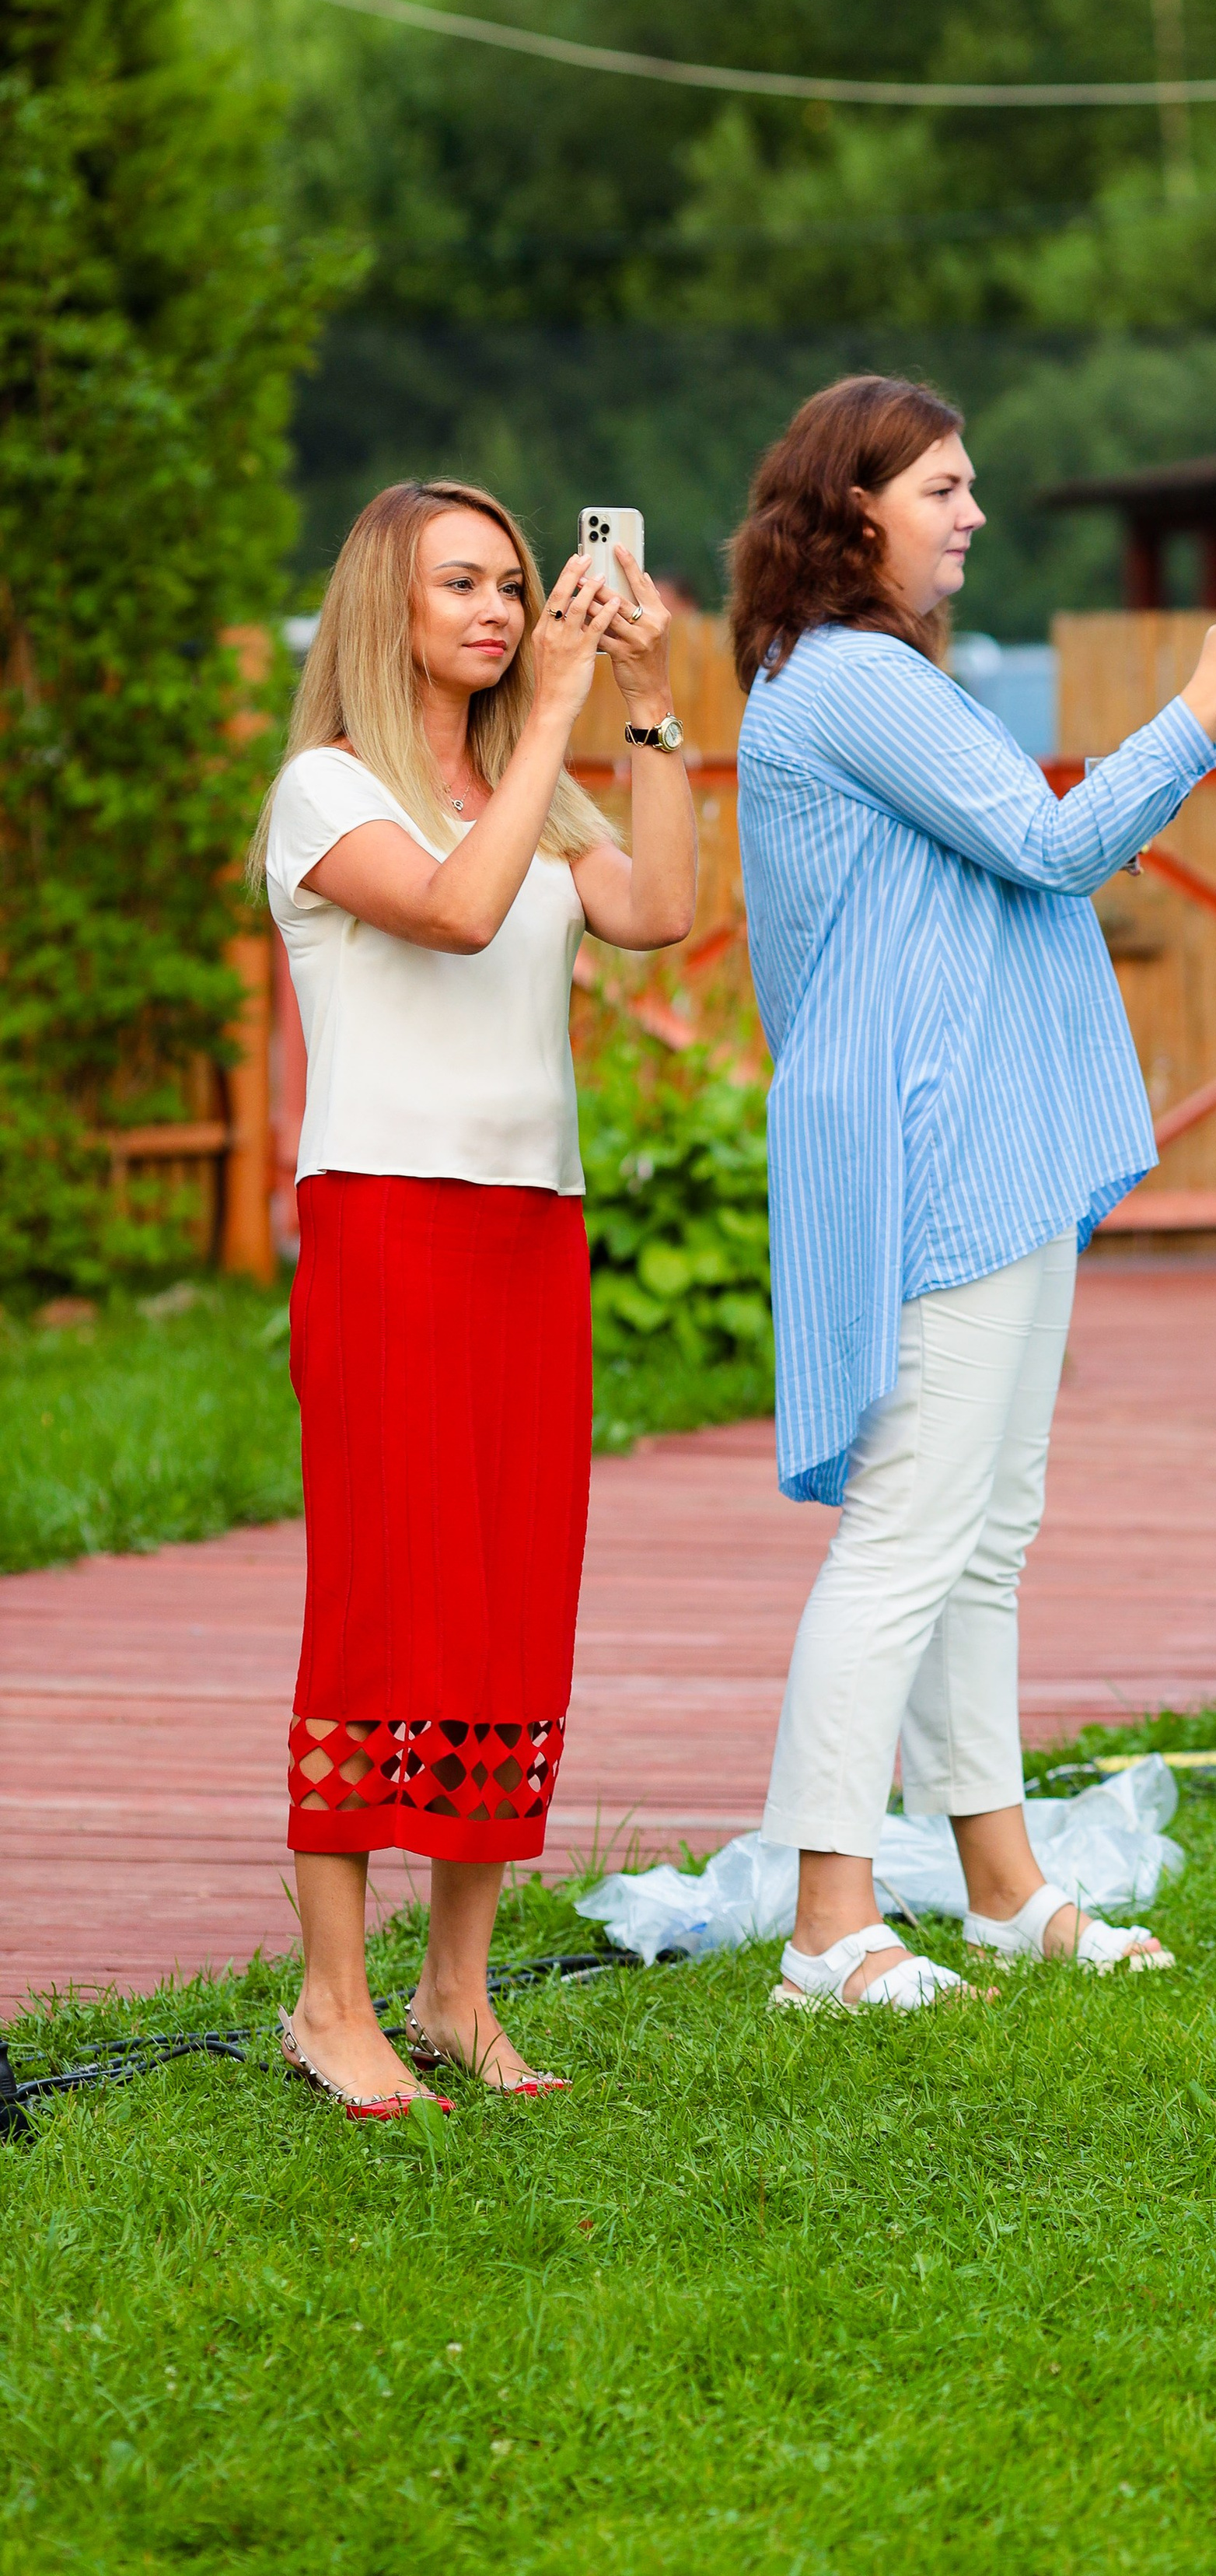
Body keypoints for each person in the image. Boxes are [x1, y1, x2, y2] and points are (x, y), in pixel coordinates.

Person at [731, 376, 1216, 2011]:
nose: (973, 512)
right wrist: (1209, 695)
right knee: (911, 1529)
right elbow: (1050, 848)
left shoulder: (882, 675)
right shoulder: (848, 679)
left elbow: (1006, 857)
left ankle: (1002, 1890)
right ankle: (828, 1928)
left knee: (982, 1536)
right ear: (854, 513)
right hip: (935, 1146)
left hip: (993, 1137)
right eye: (943, 488)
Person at [247, 478, 696, 2114]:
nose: (503, 610)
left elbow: (659, 910)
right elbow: (452, 913)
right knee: (388, 1596)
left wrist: (649, 703)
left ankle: (455, 1991)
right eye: (462, 584)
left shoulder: (529, 793)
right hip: (388, 1228)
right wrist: (555, 722)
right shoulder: (325, 789)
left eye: (514, 582)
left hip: (529, 1232)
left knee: (510, 1596)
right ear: (388, 606)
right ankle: (329, 2002)